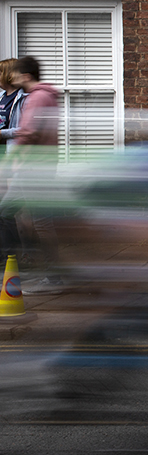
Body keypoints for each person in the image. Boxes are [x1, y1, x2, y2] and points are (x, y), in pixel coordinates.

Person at [0, 57, 63, 293]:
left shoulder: (37, 97)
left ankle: (53, 277)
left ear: (25, 76)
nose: (12, 77)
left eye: (15, 73)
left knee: (42, 223)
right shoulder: (42, 96)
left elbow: (29, 133)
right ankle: (13, 267)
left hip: (35, 168)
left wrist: (11, 158)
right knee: (6, 211)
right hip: (31, 167)